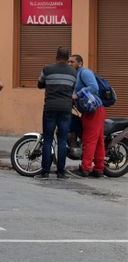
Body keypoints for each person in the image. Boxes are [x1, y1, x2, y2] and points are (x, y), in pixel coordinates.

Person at [35, 47, 77, 180]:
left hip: (50, 107)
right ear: (67, 57)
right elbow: (74, 88)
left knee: (47, 139)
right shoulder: (73, 72)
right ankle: (61, 173)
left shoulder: (47, 69)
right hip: (65, 109)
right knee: (62, 140)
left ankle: (45, 172)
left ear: (56, 56)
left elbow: (40, 84)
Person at [70, 55, 106, 177]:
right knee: (99, 141)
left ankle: (85, 169)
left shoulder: (84, 72)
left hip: (93, 111)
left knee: (89, 140)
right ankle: (99, 169)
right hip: (95, 110)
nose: (69, 63)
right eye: (69, 61)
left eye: (72, 61)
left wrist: (77, 95)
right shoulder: (78, 73)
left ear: (80, 63)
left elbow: (94, 87)